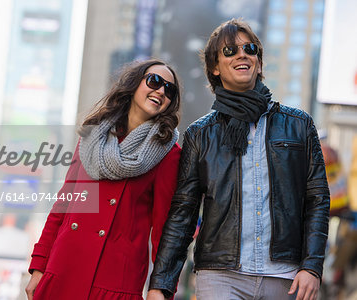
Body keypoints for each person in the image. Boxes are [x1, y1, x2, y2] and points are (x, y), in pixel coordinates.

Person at [147, 19, 330, 300]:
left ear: (259, 62)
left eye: (250, 48)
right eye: (230, 50)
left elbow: (317, 200)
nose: (242, 54)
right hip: (220, 277)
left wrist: (312, 266)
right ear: (215, 68)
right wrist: (161, 284)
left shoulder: (300, 125)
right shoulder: (200, 134)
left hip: (286, 276)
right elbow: (183, 213)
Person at [25, 59, 182, 300]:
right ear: (134, 84)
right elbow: (63, 206)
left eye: (169, 90)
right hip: (64, 268)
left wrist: (160, 289)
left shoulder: (167, 152)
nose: (161, 91)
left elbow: (164, 231)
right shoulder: (92, 136)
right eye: (154, 81)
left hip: (115, 282)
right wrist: (39, 266)